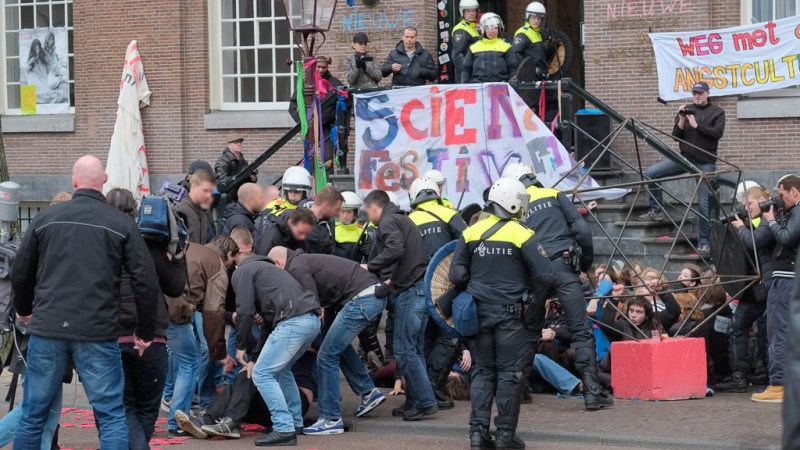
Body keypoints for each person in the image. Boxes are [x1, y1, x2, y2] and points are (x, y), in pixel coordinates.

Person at [11, 155, 160, 449]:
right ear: (104, 181)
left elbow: (21, 271)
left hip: (49, 327)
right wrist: (144, 331)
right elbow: (146, 281)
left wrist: (25, 311)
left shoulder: (44, 219)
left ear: (74, 180)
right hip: (97, 330)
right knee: (111, 415)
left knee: (32, 414)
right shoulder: (121, 223)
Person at [449, 177, 558, 449]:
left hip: (479, 315)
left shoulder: (471, 231)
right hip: (511, 316)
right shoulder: (522, 234)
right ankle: (505, 436)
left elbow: (456, 274)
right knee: (510, 374)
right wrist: (529, 294)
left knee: (483, 372)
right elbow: (547, 275)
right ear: (511, 202)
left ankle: (477, 434)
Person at [502, 162, 610, 412]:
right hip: (564, 268)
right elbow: (581, 230)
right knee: (581, 329)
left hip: (535, 273)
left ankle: (521, 391)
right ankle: (592, 393)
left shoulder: (515, 207)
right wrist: (584, 262)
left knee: (530, 332)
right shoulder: (554, 194)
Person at [267, 247, 387, 435]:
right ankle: (368, 391)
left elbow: (312, 304)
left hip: (361, 298)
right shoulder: (304, 260)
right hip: (370, 294)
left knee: (326, 355)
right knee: (336, 345)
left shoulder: (296, 267)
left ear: (278, 264)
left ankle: (331, 419)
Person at [105, 188, 188, 450]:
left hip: (113, 335)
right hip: (153, 337)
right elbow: (175, 287)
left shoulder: (100, 243)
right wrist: (178, 254)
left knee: (124, 407)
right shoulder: (150, 245)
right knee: (147, 409)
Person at [231, 252, 321, 447]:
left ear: (236, 267)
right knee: (281, 370)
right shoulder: (270, 271)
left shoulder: (243, 270)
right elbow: (268, 325)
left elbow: (244, 311)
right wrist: (254, 358)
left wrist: (240, 347)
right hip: (311, 321)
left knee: (262, 375)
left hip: (294, 321)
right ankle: (295, 422)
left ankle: (283, 428)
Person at [363, 189, 438, 421]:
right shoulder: (402, 219)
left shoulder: (387, 221)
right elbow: (407, 258)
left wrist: (370, 266)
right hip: (418, 289)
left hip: (411, 292)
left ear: (374, 207)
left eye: (367, 211)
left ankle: (424, 402)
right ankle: (414, 401)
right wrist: (391, 281)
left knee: (406, 349)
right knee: (413, 349)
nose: (367, 217)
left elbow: (395, 250)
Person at [637, 81, 726, 258]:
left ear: (708, 94)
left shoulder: (717, 112)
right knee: (652, 173)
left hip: (705, 162)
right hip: (684, 159)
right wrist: (682, 120)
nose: (697, 96)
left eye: (700, 93)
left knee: (704, 205)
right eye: (695, 93)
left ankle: (704, 243)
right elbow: (676, 136)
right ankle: (656, 210)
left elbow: (717, 134)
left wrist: (696, 126)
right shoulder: (686, 110)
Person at [164, 236, 238, 435]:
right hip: (175, 314)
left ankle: (141, 420)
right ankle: (175, 423)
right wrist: (219, 352)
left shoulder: (188, 247)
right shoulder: (216, 264)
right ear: (229, 254)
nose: (230, 267)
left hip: (155, 309)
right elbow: (214, 312)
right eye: (232, 263)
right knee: (189, 364)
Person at [408, 177, 467, 409]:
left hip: (417, 287)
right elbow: (467, 243)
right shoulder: (448, 213)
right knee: (449, 336)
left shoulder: (409, 220)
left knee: (424, 338)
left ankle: (426, 388)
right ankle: (433, 384)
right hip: (446, 287)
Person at [718, 184, 775, 392]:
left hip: (768, 285)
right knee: (738, 326)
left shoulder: (769, 216)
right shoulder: (756, 219)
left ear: (760, 200)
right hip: (754, 286)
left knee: (771, 332)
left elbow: (754, 242)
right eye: (743, 205)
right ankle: (739, 377)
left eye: (748, 204)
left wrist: (740, 226)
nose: (746, 208)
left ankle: (773, 379)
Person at [752, 174, 800, 403]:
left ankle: (779, 385)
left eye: (781, 195)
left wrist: (769, 219)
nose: (779, 199)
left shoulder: (799, 211)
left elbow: (787, 238)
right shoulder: (792, 212)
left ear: (794, 192)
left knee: (777, 331)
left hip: (786, 279)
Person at [289, 56, 343, 170]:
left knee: (327, 160)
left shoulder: (335, 83)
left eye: (324, 67)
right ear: (315, 66)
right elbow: (293, 105)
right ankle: (310, 184)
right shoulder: (306, 83)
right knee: (309, 158)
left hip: (327, 128)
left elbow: (343, 103)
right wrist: (301, 121)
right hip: (310, 129)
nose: (321, 70)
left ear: (327, 67)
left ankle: (328, 185)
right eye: (318, 67)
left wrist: (334, 118)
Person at [461, 13, 518, 83]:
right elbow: (466, 69)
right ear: (483, 29)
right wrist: (464, 86)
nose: (493, 31)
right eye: (489, 28)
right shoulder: (474, 47)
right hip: (479, 88)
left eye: (496, 27)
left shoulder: (506, 46)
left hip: (500, 88)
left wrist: (513, 81)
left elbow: (513, 68)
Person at [256, 166, 313, 234]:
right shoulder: (272, 206)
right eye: (290, 191)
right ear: (285, 191)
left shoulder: (310, 207)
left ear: (304, 192)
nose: (293, 195)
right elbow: (262, 232)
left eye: (297, 192)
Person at [214, 134, 258, 205]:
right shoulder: (222, 161)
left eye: (240, 142)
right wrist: (241, 175)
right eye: (236, 142)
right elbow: (222, 181)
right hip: (227, 200)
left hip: (241, 198)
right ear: (229, 145)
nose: (239, 144)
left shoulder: (243, 161)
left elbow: (245, 181)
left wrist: (251, 178)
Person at [177, 168, 217, 244]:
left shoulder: (203, 210)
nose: (209, 195)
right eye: (205, 190)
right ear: (194, 186)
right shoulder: (181, 210)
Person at [304, 186, 344, 254]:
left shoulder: (330, 222)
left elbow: (331, 251)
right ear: (326, 206)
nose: (338, 213)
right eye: (336, 209)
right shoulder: (297, 219)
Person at [335, 191, 373, 262]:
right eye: (342, 212)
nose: (345, 216)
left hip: (356, 270)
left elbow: (370, 260)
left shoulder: (363, 232)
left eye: (349, 212)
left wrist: (369, 253)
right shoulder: (332, 230)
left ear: (355, 213)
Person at [511, 2, 548, 75]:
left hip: (539, 75)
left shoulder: (536, 33)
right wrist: (530, 68)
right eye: (533, 18)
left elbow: (536, 54)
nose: (536, 21)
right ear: (528, 18)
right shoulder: (523, 33)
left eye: (539, 18)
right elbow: (514, 53)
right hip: (529, 77)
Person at [451, 0, 480, 76]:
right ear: (462, 12)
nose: (472, 13)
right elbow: (457, 55)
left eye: (473, 10)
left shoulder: (472, 29)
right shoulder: (461, 29)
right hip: (467, 75)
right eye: (468, 11)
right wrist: (467, 71)